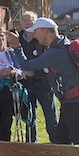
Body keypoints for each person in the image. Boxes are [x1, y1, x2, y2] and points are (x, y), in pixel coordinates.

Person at [4, 18, 79, 156]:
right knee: (61, 139)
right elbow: (51, 71)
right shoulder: (62, 45)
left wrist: (16, 45)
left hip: (75, 101)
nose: (34, 35)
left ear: (45, 32)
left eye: (36, 32)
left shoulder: (55, 52)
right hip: (71, 101)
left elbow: (26, 64)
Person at [18, 12, 59, 143]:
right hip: (25, 83)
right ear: (21, 23)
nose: (28, 23)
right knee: (29, 116)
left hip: (44, 82)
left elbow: (48, 62)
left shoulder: (43, 39)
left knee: (50, 116)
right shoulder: (16, 38)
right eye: (25, 20)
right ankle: (31, 145)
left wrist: (35, 73)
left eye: (31, 20)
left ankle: (56, 144)